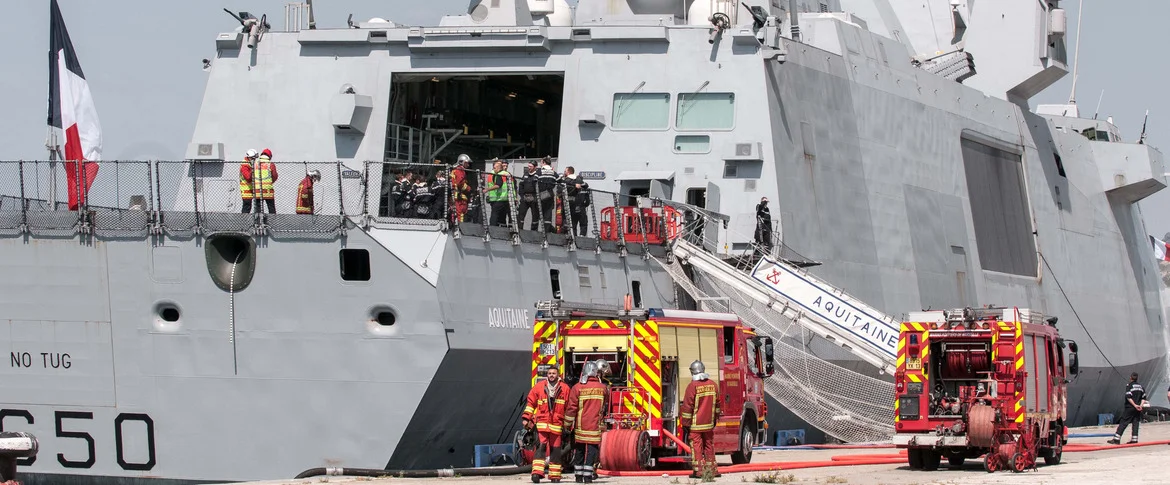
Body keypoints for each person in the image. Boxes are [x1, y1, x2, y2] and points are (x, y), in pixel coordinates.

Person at [523, 366, 571, 483]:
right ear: (547, 374)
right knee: (540, 448)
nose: (551, 375)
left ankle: (554, 476)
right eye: (549, 373)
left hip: (557, 425)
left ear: (558, 375)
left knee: (555, 451)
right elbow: (530, 403)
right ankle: (536, 473)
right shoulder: (539, 387)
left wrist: (569, 424)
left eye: (553, 373)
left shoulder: (565, 388)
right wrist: (526, 418)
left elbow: (569, 407)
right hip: (542, 425)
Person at [564, 362, 607, 484]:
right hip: (595, 427)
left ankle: (578, 476)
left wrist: (567, 425)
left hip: (579, 427)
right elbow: (604, 407)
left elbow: (571, 408)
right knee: (592, 451)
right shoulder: (603, 388)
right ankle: (588, 477)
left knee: (579, 451)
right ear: (596, 373)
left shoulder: (577, 387)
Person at [680, 360, 720, 478]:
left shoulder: (692, 386)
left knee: (696, 445)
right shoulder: (713, 385)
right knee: (709, 444)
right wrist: (714, 420)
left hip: (695, 425)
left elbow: (687, 407)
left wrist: (686, 424)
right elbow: (717, 405)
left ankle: (699, 471)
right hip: (709, 424)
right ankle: (712, 470)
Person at [1108, 372, 1145, 444]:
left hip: (1130, 407)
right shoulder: (1141, 387)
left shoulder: (1129, 386)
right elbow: (1144, 398)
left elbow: (1128, 397)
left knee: (1123, 422)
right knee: (1135, 423)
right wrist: (1140, 405)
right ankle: (1134, 439)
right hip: (1138, 408)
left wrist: (1134, 405)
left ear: (1130, 378)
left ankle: (1116, 439)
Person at [561, 167, 590, 237]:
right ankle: (582, 236)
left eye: (565, 171)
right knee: (583, 223)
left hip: (573, 206)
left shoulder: (568, 183)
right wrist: (584, 205)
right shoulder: (584, 186)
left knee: (573, 223)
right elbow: (588, 200)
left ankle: (573, 237)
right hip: (581, 207)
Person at [484, 160, 513, 228]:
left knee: (495, 215)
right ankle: (503, 229)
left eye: (495, 167)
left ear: (499, 168)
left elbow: (498, 185)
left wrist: (486, 190)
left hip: (499, 198)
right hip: (504, 198)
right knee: (502, 216)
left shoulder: (499, 174)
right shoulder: (506, 174)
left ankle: (492, 229)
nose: (494, 169)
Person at [517, 162, 541, 230]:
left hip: (534, 199)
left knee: (535, 216)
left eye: (531, 166)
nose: (529, 168)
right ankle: (520, 230)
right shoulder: (525, 175)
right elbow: (521, 185)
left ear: (535, 167)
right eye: (528, 166)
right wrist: (522, 196)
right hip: (525, 198)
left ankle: (533, 232)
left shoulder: (538, 175)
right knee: (521, 215)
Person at [450, 155, 472, 223]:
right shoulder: (460, 170)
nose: (468, 165)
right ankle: (461, 228)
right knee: (461, 214)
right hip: (460, 197)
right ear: (462, 162)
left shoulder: (454, 170)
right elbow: (460, 183)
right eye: (466, 163)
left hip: (454, 195)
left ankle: (454, 227)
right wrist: (469, 189)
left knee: (454, 214)